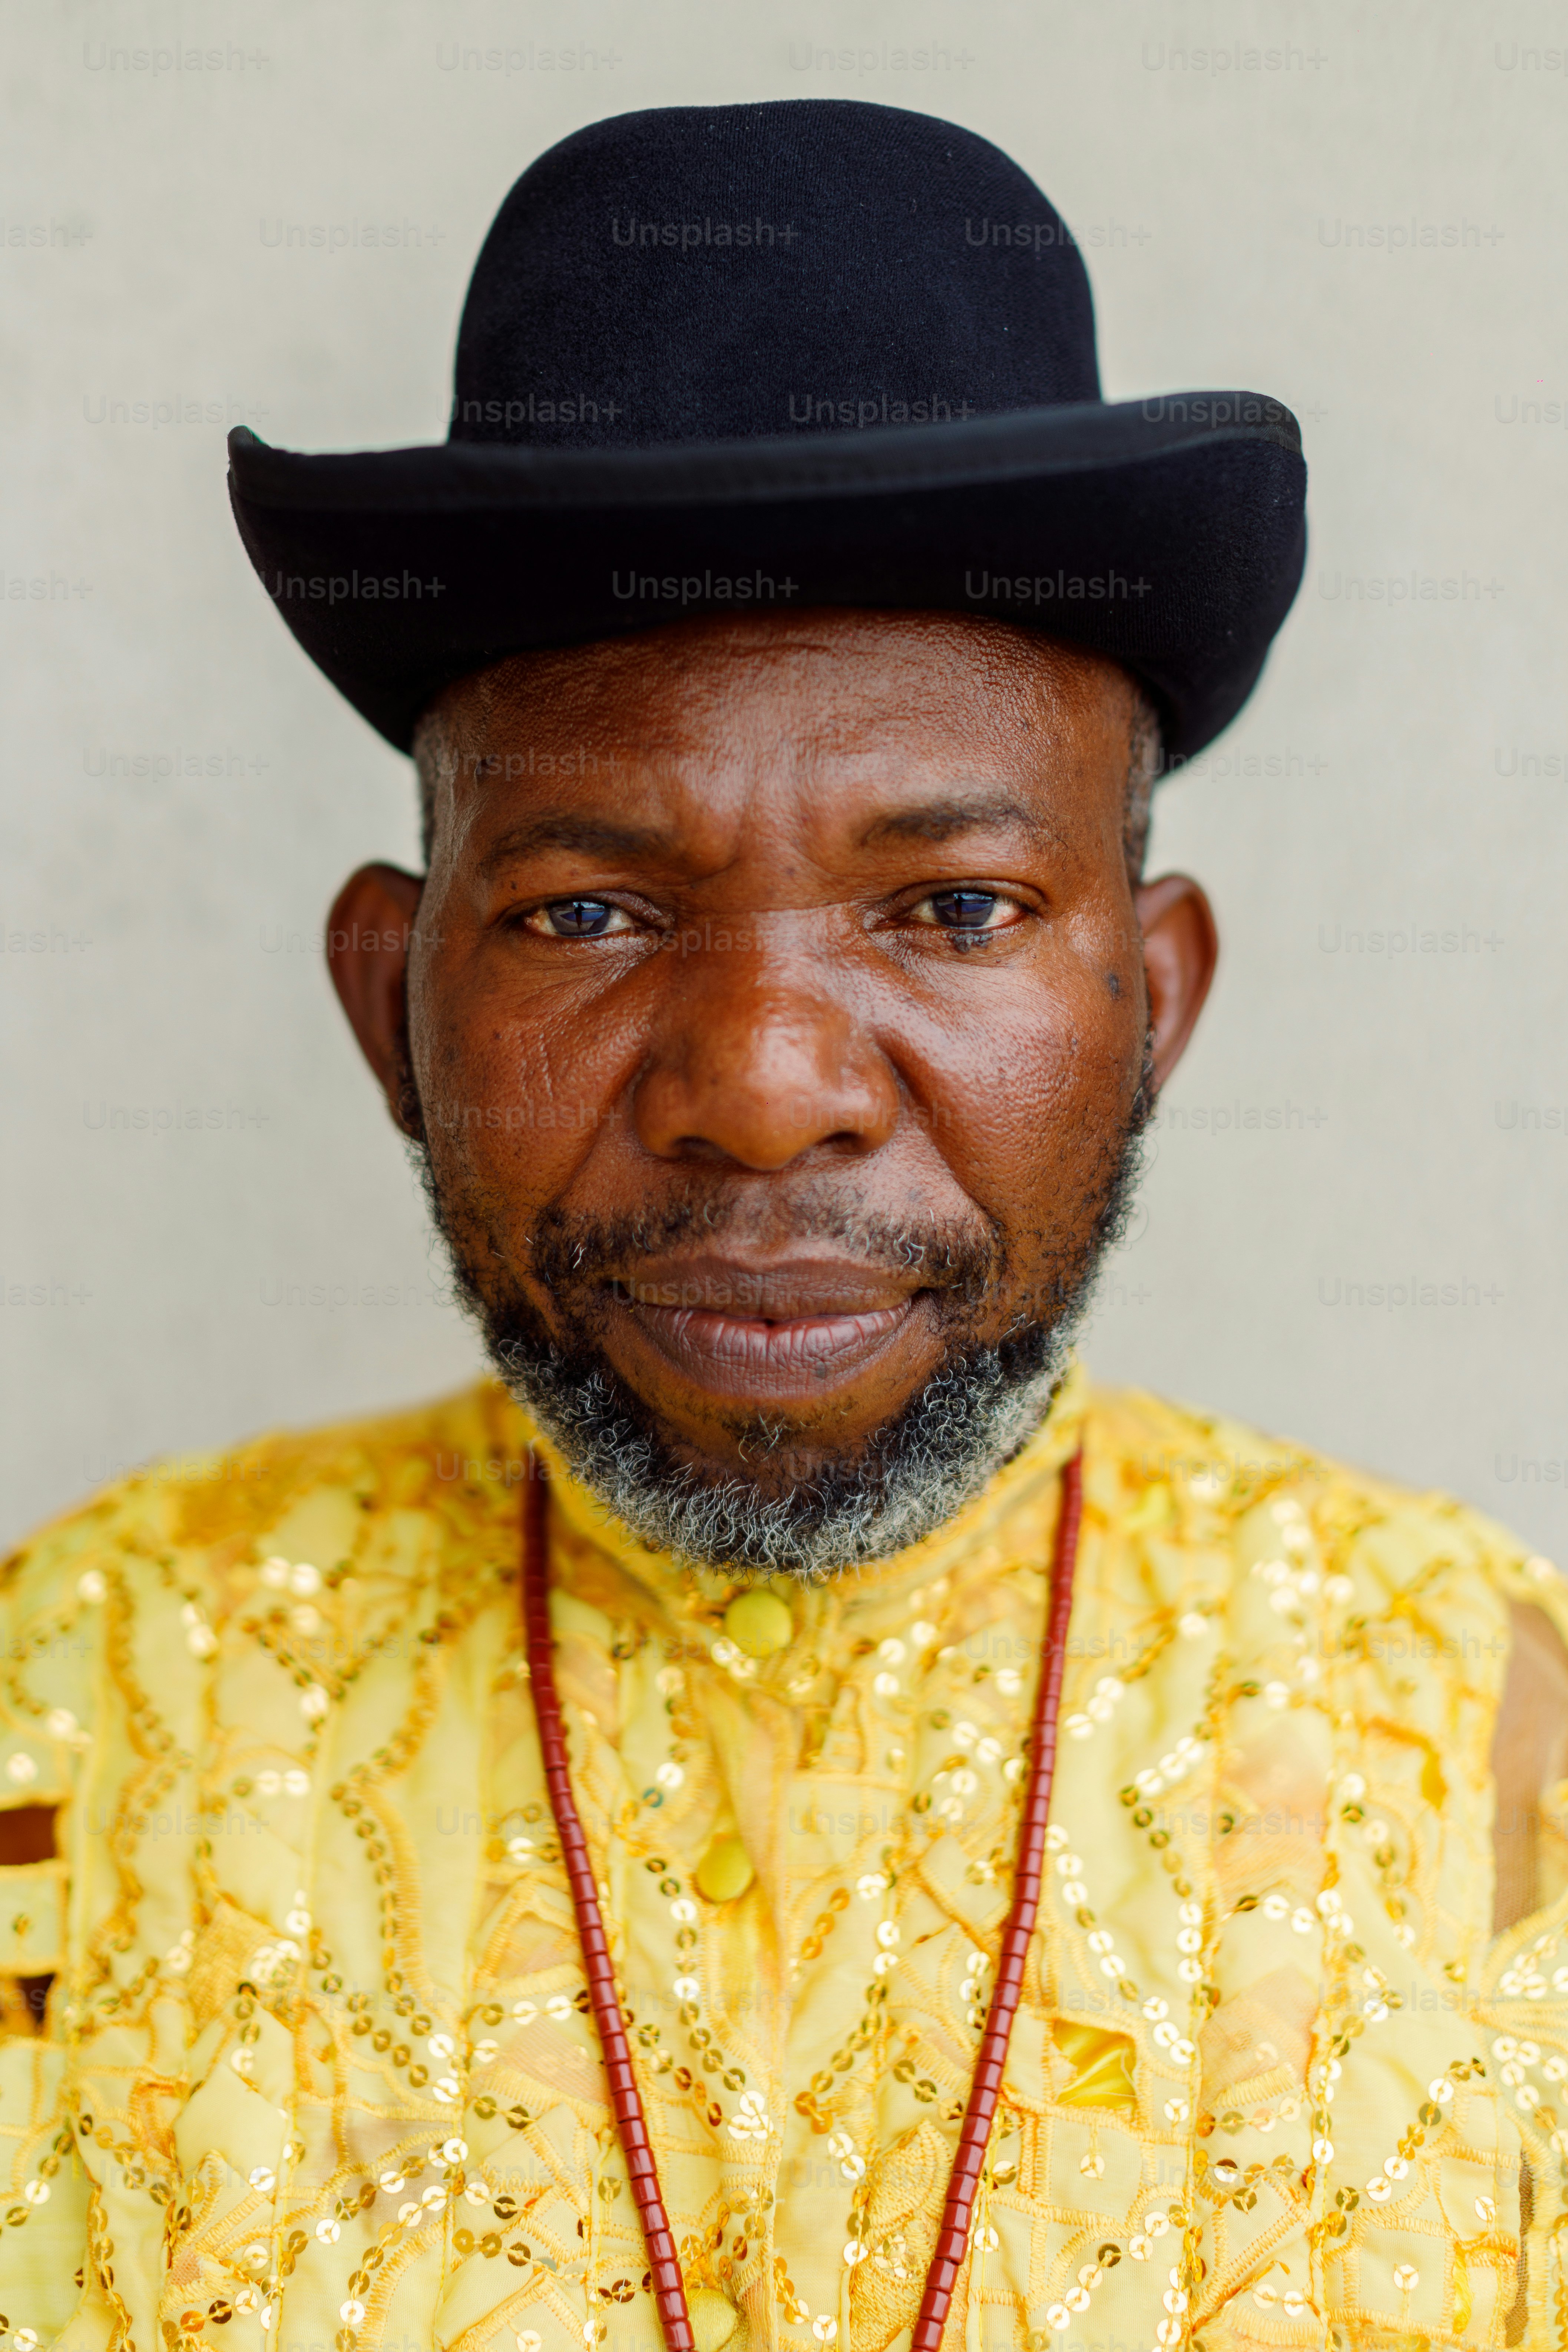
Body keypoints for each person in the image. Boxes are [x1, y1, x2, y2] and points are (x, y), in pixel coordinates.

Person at [4, 100, 1565, 2352]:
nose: (760, 1091)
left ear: (1153, 1007)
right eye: (590, 908)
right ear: (388, 1006)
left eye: (947, 908)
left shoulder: (1497, 1734)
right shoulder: (63, 1701)